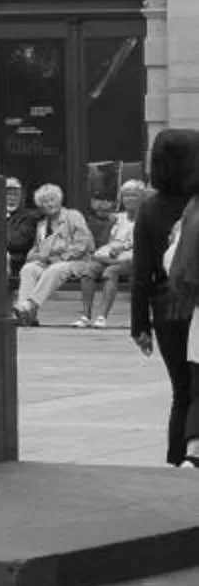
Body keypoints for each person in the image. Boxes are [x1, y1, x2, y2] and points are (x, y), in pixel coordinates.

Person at [129, 130, 199, 462]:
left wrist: (139, 324)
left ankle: (175, 459)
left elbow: (140, 271)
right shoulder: (195, 203)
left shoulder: (149, 207)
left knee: (181, 392)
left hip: (164, 306)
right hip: (193, 303)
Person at [13, 184, 97, 324]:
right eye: (45, 202)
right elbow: (37, 248)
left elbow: (83, 244)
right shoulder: (42, 224)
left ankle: (30, 305)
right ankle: (26, 314)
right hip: (50, 262)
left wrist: (58, 258)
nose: (49, 204)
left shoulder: (73, 216)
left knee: (56, 269)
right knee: (29, 269)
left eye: (52, 200)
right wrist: (33, 258)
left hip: (78, 261)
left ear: (59, 200)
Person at [86, 180, 147, 329]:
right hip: (113, 255)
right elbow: (105, 240)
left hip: (136, 256)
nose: (129, 199)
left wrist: (123, 246)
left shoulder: (147, 217)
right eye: (126, 196)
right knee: (89, 270)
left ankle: (101, 316)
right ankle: (85, 316)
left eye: (134, 195)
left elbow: (146, 242)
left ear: (142, 198)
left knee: (110, 271)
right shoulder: (117, 218)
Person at [3, 177, 40, 295]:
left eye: (15, 195)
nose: (11, 199)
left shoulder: (28, 217)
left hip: (17, 259)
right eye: (8, 195)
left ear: (21, 197)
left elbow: (18, 242)